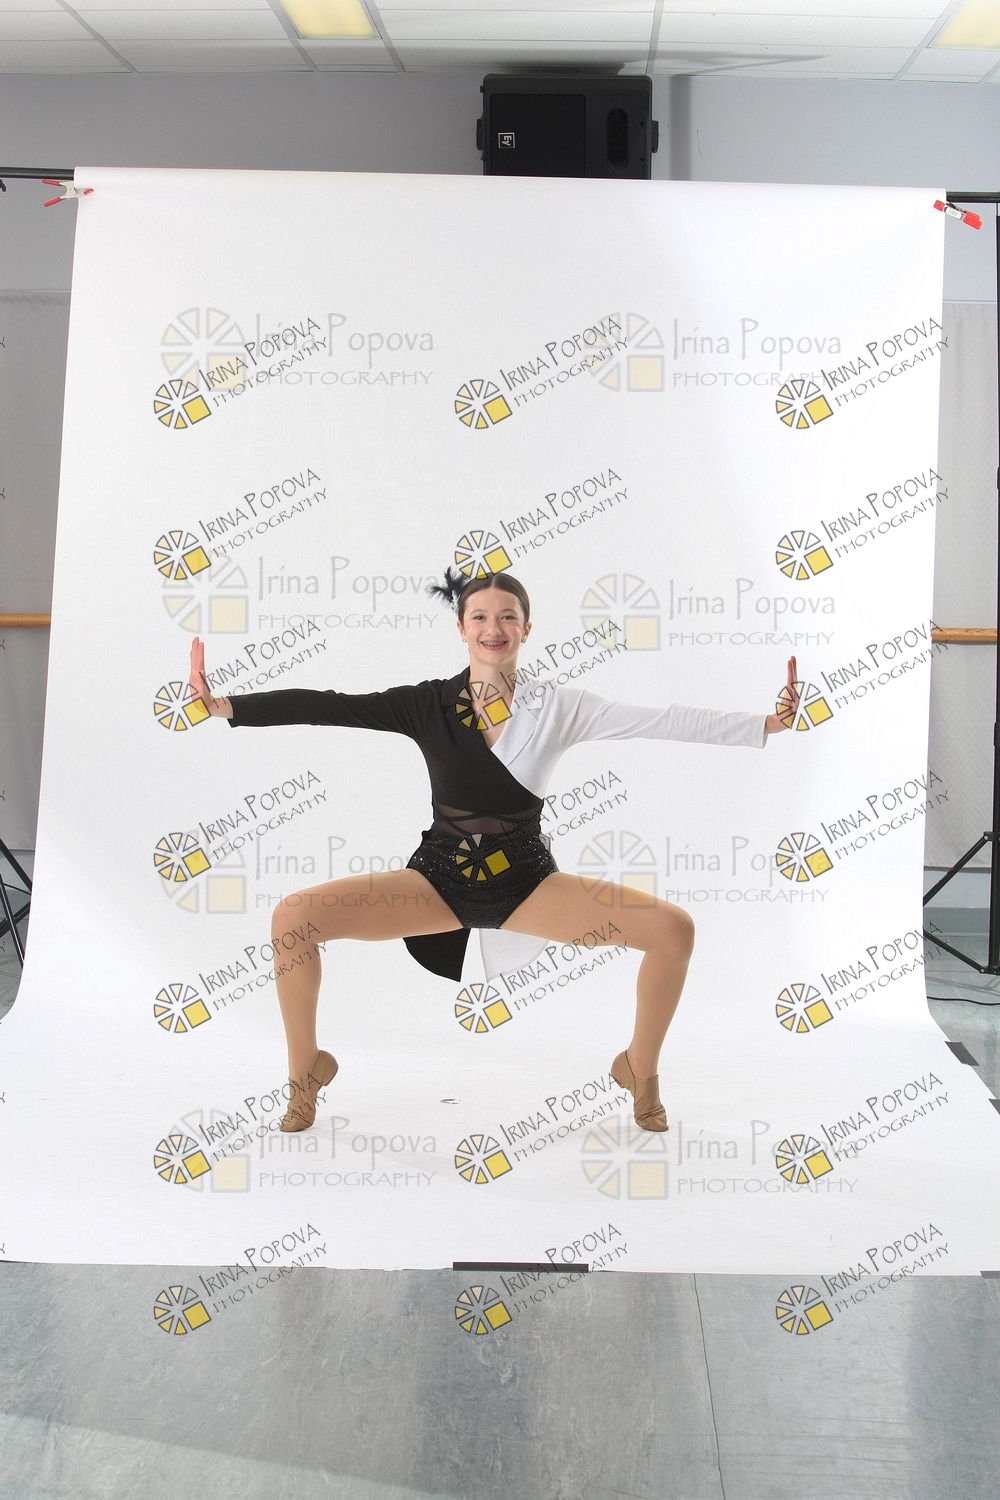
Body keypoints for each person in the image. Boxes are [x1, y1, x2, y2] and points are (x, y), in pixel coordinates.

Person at [188, 566, 798, 1136]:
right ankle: (305, 1075)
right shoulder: (427, 703)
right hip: (438, 881)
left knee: (673, 930)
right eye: (479, 616)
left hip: (526, 885)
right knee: (293, 918)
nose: (493, 627)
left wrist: (764, 724)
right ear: (461, 628)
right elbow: (330, 706)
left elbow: (660, 720)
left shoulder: (560, 707)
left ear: (527, 629)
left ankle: (640, 1068)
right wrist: (229, 707)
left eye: (508, 616)